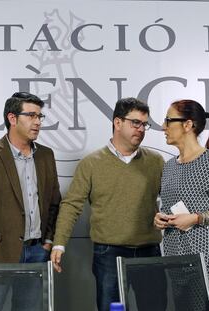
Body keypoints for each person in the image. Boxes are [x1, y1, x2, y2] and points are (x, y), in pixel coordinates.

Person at [51, 97, 167, 311]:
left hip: (149, 252)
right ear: (117, 123)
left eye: (144, 124)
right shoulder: (91, 163)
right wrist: (59, 243)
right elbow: (71, 205)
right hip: (109, 254)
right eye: (135, 123)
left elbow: (171, 201)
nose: (141, 129)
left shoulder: (156, 161)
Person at [0, 91, 61, 310]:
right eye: (31, 115)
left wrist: (47, 242)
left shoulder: (46, 155)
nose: (37, 122)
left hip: (37, 252)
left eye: (40, 117)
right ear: (12, 118)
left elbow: (54, 203)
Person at [154, 99, 209, 310]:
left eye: (169, 120)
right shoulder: (168, 167)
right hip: (174, 261)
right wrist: (159, 218)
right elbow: (167, 206)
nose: (163, 126)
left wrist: (196, 218)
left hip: (204, 262)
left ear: (188, 125)